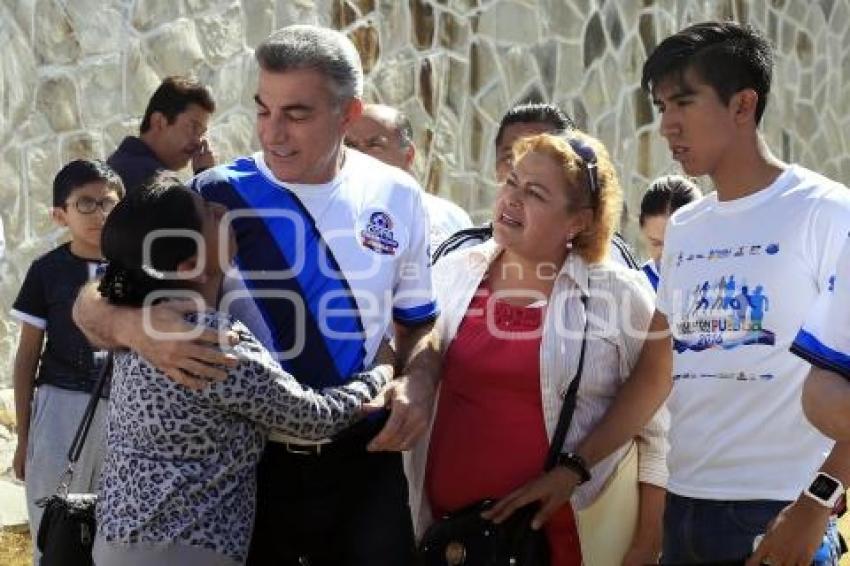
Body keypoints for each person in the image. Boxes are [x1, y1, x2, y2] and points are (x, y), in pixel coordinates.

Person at [73, 24, 440, 566]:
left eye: (296, 114)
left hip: (366, 461)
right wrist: (136, 331)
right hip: (250, 479)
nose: (273, 133)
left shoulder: (399, 195)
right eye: (263, 109)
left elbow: (419, 325)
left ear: (348, 112)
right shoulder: (212, 196)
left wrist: (423, 381)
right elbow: (93, 301)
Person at [92, 179, 393, 566]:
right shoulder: (207, 339)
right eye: (208, 212)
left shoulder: (138, 326)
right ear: (190, 266)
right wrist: (382, 370)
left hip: (117, 541)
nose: (221, 208)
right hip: (184, 550)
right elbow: (313, 418)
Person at [408, 131, 672, 565]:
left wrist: (647, 543)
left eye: (534, 193)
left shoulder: (617, 294)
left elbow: (660, 427)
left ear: (579, 221)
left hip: (563, 542)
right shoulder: (453, 272)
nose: (512, 198)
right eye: (511, 182)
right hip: (450, 542)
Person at [640, 21, 850, 564]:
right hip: (682, 509)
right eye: (661, 106)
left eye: (683, 102)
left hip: (779, 515)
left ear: (743, 105)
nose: (667, 125)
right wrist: (573, 468)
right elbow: (657, 369)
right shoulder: (684, 226)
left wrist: (817, 503)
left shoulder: (827, 211)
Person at [10, 159, 124, 564]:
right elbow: (26, 358)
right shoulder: (47, 272)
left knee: (114, 530)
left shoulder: (139, 271)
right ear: (61, 215)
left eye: (108, 203)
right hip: (60, 407)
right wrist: (25, 438)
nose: (100, 213)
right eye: (86, 204)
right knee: (54, 528)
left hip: (126, 410)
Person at [432, 102, 640, 268]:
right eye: (510, 158)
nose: (525, 166)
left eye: (545, 156)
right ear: (496, 168)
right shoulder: (457, 255)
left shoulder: (612, 264)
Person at [344, 103, 473, 249]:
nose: (359, 154)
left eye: (375, 145)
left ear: (408, 156)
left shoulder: (449, 219)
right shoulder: (326, 214)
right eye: (350, 145)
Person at [107, 76, 216, 192]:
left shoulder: (120, 161)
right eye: (193, 127)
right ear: (159, 122)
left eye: (202, 133)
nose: (198, 141)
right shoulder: (153, 181)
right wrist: (204, 176)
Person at [638, 175, 702, 290]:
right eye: (656, 243)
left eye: (676, 243)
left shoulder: (719, 282)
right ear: (643, 230)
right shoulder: (637, 287)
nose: (666, 255)